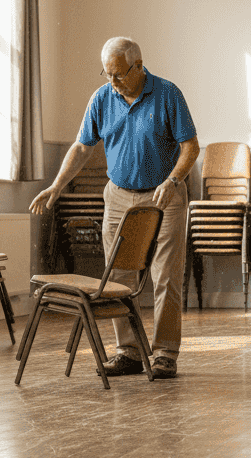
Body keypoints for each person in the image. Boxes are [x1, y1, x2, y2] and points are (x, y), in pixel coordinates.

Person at [29, 37, 199, 379]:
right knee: (118, 275)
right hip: (119, 194)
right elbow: (81, 147)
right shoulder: (101, 98)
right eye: (107, 74)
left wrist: (174, 180)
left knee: (165, 274)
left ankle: (165, 352)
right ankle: (129, 351)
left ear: (138, 66)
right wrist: (56, 185)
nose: (112, 81)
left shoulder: (167, 94)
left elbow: (191, 147)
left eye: (118, 74)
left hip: (165, 194)